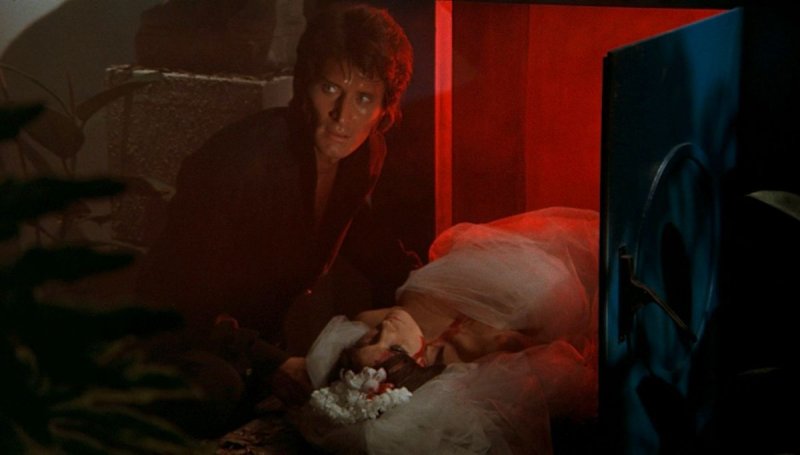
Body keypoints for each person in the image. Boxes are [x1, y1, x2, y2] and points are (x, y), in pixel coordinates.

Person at [133, 2, 419, 436]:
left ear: (384, 108)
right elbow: (185, 297)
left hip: (255, 342)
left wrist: (421, 291)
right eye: (330, 88)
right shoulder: (241, 163)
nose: (343, 116)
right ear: (304, 84)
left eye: (364, 98)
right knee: (220, 388)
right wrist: (272, 361)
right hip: (181, 339)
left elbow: (359, 230)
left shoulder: (364, 154)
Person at [289, 207, 600, 454]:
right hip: (559, 292)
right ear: (419, 360)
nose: (384, 330)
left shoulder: (372, 319)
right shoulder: (485, 346)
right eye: (393, 348)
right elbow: (561, 357)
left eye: (369, 339)